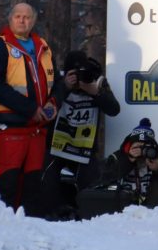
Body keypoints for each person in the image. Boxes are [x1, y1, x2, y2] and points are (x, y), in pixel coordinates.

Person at [0, 2, 56, 213]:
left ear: (33, 21)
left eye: (27, 17)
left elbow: (56, 81)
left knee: (33, 182)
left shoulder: (43, 46)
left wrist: (54, 103)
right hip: (11, 126)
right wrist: (29, 108)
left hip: (38, 128)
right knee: (8, 179)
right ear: (10, 19)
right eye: (18, 16)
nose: (22, 20)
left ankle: (30, 224)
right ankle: (1, 222)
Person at [38, 50, 120, 219]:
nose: (78, 78)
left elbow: (114, 109)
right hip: (58, 145)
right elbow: (47, 110)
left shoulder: (97, 81)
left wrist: (96, 92)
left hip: (84, 147)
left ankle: (85, 213)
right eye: (74, 74)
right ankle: (55, 211)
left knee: (91, 182)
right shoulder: (58, 82)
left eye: (81, 73)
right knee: (46, 175)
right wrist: (65, 87)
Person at [95, 119, 158, 209]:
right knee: (114, 188)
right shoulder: (118, 157)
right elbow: (101, 182)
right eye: (138, 146)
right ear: (130, 145)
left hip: (156, 211)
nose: (141, 150)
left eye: (146, 146)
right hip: (124, 209)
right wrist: (128, 161)